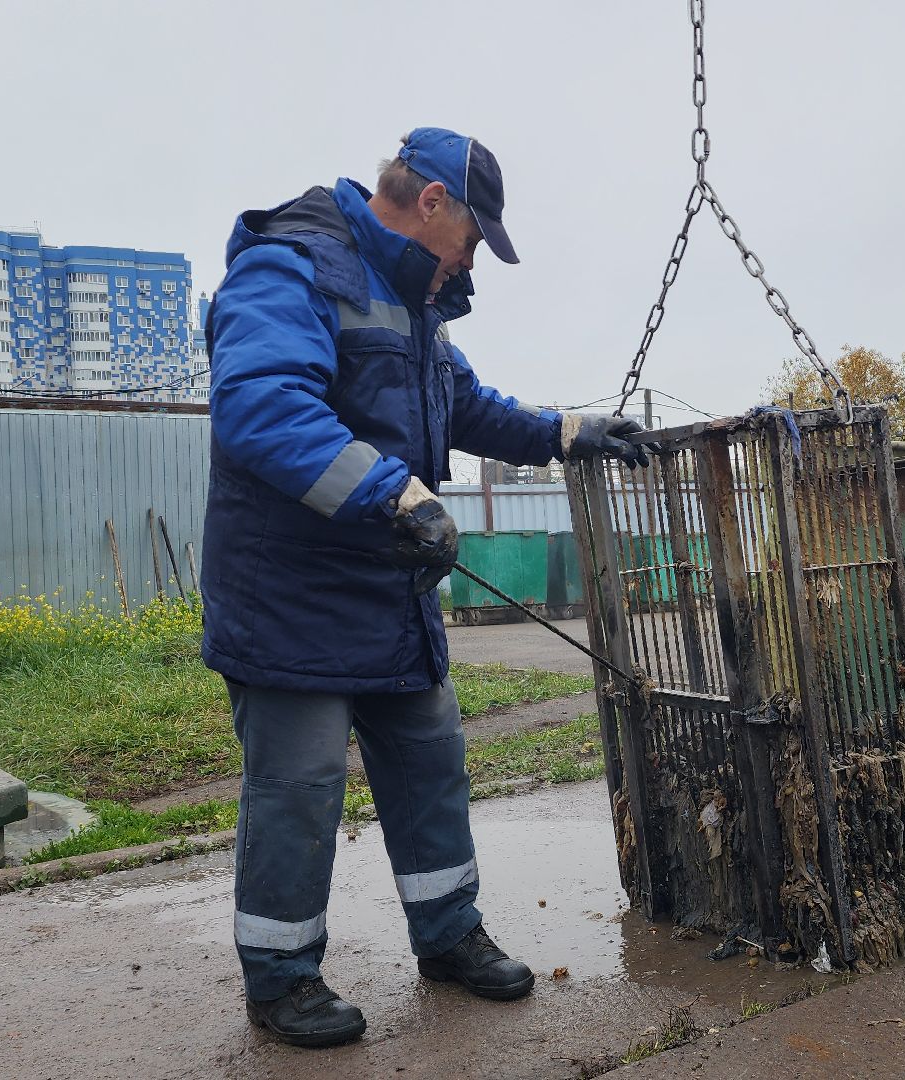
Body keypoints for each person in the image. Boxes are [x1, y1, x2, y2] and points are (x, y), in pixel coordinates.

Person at [201, 127, 648, 1047]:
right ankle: (282, 976)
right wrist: (394, 492)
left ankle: (448, 936)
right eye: (475, 237)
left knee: (432, 763)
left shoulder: (414, 308)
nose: (472, 257)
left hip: (388, 592)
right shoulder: (290, 269)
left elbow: (468, 407)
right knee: (302, 785)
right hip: (289, 598)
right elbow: (262, 408)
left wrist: (568, 431)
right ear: (433, 202)